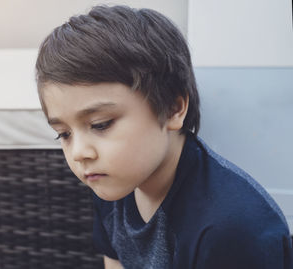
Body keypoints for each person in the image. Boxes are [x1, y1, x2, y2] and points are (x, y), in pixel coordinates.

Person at [34, 5, 293, 269]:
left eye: (100, 125)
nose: (79, 153)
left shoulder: (232, 228)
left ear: (173, 108)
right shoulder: (112, 182)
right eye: (63, 134)